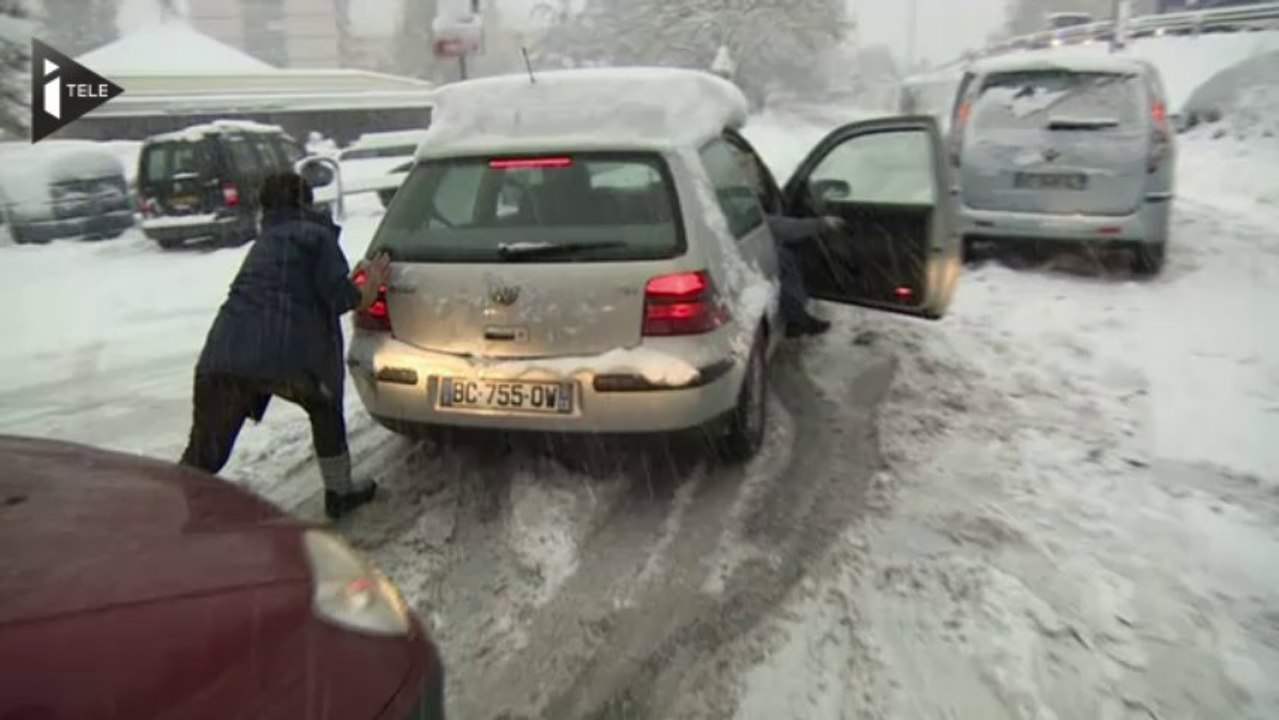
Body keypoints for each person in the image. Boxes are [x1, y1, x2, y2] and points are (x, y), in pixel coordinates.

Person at [179, 171, 392, 520]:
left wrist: (345, 283)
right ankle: (340, 492)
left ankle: (172, 508)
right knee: (324, 407)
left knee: (205, 455)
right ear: (306, 201)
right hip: (289, 358)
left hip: (225, 354)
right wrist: (369, 286)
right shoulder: (315, 236)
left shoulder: (265, 242)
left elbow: (294, 287)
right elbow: (341, 298)